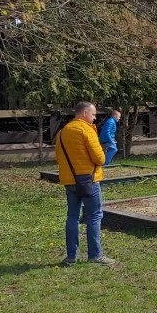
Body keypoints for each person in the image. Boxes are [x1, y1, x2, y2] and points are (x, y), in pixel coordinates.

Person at [56, 101, 116, 266]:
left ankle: (71, 257)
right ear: (84, 114)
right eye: (93, 114)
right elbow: (100, 158)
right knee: (94, 216)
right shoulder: (86, 131)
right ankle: (95, 255)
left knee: (72, 217)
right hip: (89, 180)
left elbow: (59, 157)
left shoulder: (61, 133)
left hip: (70, 180)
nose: (95, 118)